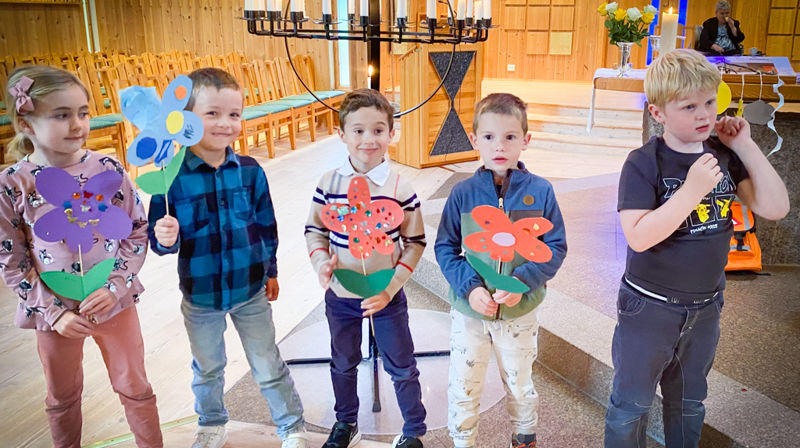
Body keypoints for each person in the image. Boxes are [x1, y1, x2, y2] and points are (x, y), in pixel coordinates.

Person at [604, 49, 789, 447]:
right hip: (649, 307)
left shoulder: (722, 156)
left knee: (689, 403)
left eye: (709, 102)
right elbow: (638, 236)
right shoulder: (643, 162)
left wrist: (744, 147)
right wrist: (690, 191)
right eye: (689, 106)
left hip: (705, 308)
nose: (704, 114)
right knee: (631, 404)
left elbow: (776, 207)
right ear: (658, 114)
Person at [0, 65, 162, 447]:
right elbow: (11, 259)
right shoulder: (12, 183)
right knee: (62, 395)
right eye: (61, 114)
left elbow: (137, 229)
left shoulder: (107, 168)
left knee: (134, 384)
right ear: (26, 123)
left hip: (114, 303)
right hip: (53, 314)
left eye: (83, 112)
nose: (77, 124)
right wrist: (54, 313)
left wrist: (116, 286)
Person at [148, 67, 307, 448]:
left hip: (250, 288)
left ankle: (291, 425)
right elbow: (161, 242)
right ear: (186, 120)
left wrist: (272, 271)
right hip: (201, 296)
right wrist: (165, 236)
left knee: (267, 362)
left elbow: (266, 226)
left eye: (234, 114)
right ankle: (212, 424)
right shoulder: (169, 178)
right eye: (212, 113)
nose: (225, 123)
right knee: (208, 368)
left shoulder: (250, 172)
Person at [434, 93, 568, 448]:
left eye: (510, 136)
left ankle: (524, 438)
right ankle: (463, 441)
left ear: (526, 139)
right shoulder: (462, 193)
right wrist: (470, 288)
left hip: (519, 313)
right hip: (470, 312)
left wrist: (522, 282)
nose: (500, 146)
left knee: (520, 383)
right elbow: (445, 247)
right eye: (489, 137)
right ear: (475, 140)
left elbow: (555, 247)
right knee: (464, 383)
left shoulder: (541, 192)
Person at [304, 88, 428, 448]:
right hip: (341, 294)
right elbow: (315, 230)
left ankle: (413, 431)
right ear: (341, 133)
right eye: (357, 130)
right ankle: (346, 422)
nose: (368, 139)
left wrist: (390, 287)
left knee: (402, 364)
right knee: (343, 361)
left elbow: (415, 242)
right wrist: (320, 262)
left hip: (386, 295)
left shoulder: (400, 188)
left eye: (378, 130)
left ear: (392, 133)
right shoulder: (328, 184)